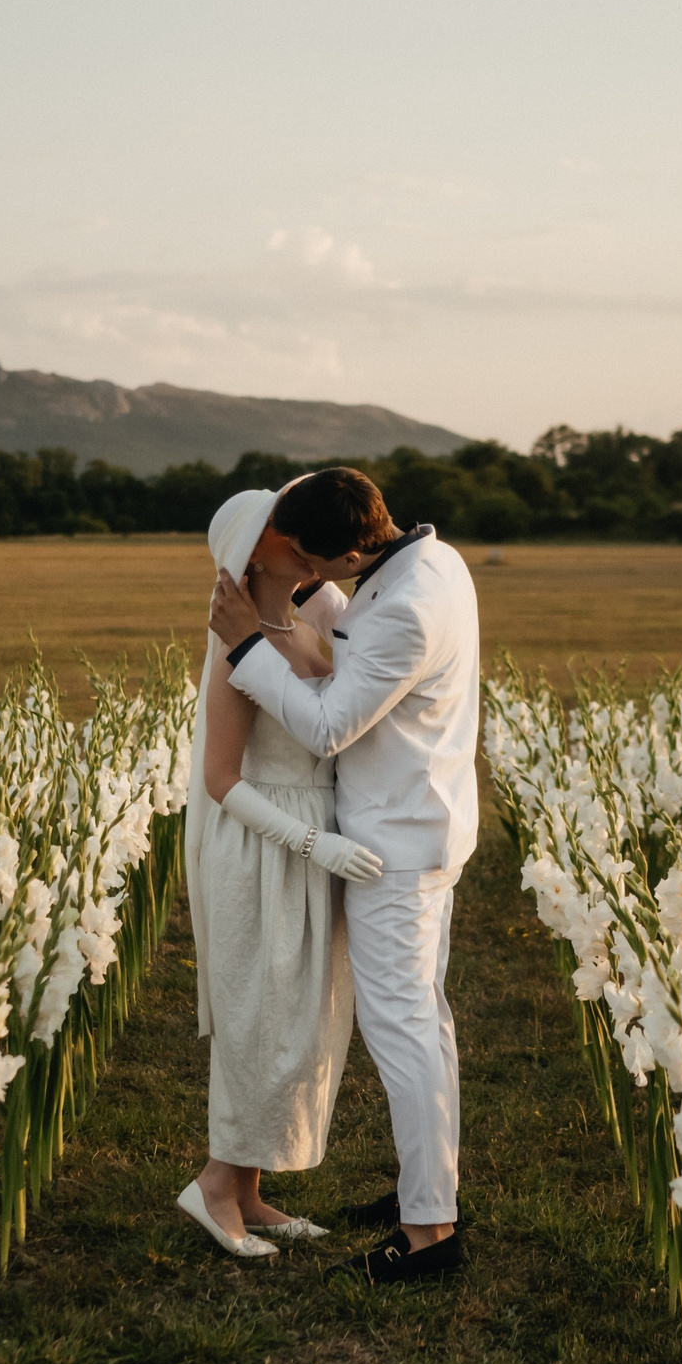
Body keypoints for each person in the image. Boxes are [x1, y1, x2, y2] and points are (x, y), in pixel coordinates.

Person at [208, 467, 480, 1283]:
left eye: (321, 564)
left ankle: (430, 1232)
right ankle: (426, 1196)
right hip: (418, 826)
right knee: (423, 1024)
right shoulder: (430, 562)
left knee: (402, 1031)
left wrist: (248, 645)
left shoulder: (403, 606)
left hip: (396, 844)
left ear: (359, 546)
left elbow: (328, 728)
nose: (316, 577)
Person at [177, 488, 385, 1259]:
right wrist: (312, 845)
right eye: (282, 533)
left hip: (311, 839)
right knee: (261, 1024)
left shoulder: (297, 626)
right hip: (265, 846)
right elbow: (221, 779)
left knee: (302, 1026)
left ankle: (252, 1190)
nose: (302, 542)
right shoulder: (231, 646)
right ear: (251, 548)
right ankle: (213, 1186)